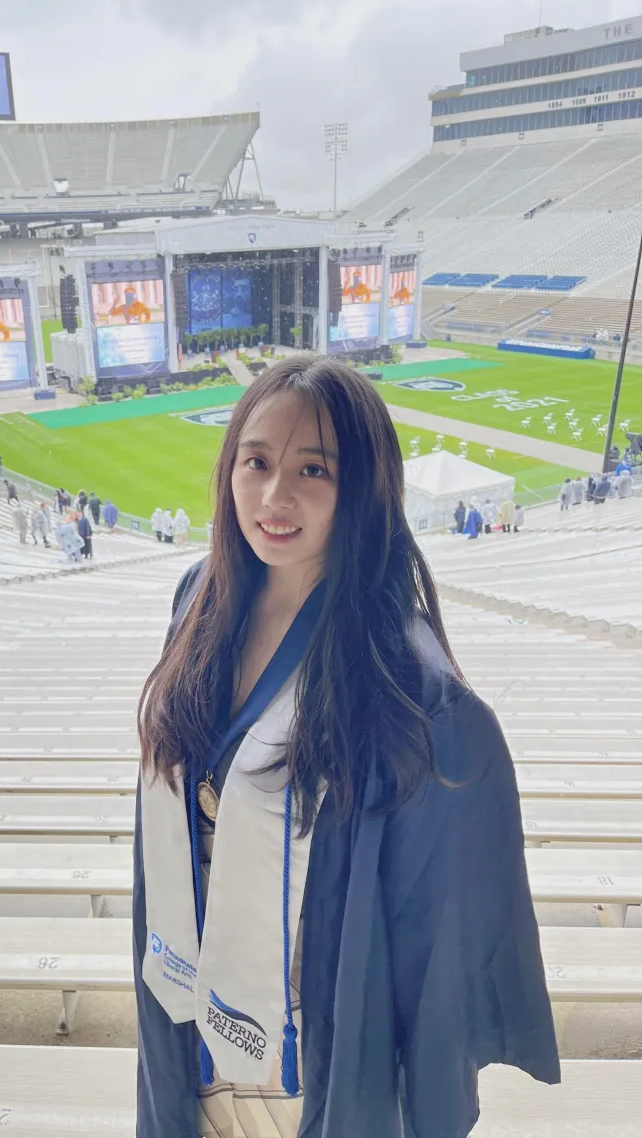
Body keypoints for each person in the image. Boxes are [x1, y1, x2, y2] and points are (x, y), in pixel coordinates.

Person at [133, 356, 558, 1138]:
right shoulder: (200, 597)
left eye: (313, 470)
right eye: (255, 462)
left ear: (363, 487)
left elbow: (436, 930)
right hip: (185, 1023)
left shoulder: (406, 687)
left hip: (306, 1058)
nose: (273, 497)